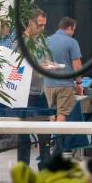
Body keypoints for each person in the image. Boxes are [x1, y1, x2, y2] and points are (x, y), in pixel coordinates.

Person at [15, 10, 51, 166]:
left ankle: (44, 167)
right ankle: (23, 168)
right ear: (31, 22)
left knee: (45, 134)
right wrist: (37, 68)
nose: (42, 29)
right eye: (40, 25)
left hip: (39, 91)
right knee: (23, 135)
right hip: (24, 94)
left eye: (44, 25)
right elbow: (16, 68)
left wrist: (49, 65)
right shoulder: (20, 42)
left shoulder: (41, 41)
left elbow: (45, 59)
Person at [44, 16, 83, 123]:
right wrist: (79, 83)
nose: (73, 32)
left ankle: (52, 139)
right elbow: (77, 67)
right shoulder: (72, 42)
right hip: (65, 85)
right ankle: (59, 139)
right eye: (74, 29)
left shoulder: (46, 40)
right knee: (62, 113)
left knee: (52, 114)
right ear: (70, 28)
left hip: (48, 84)